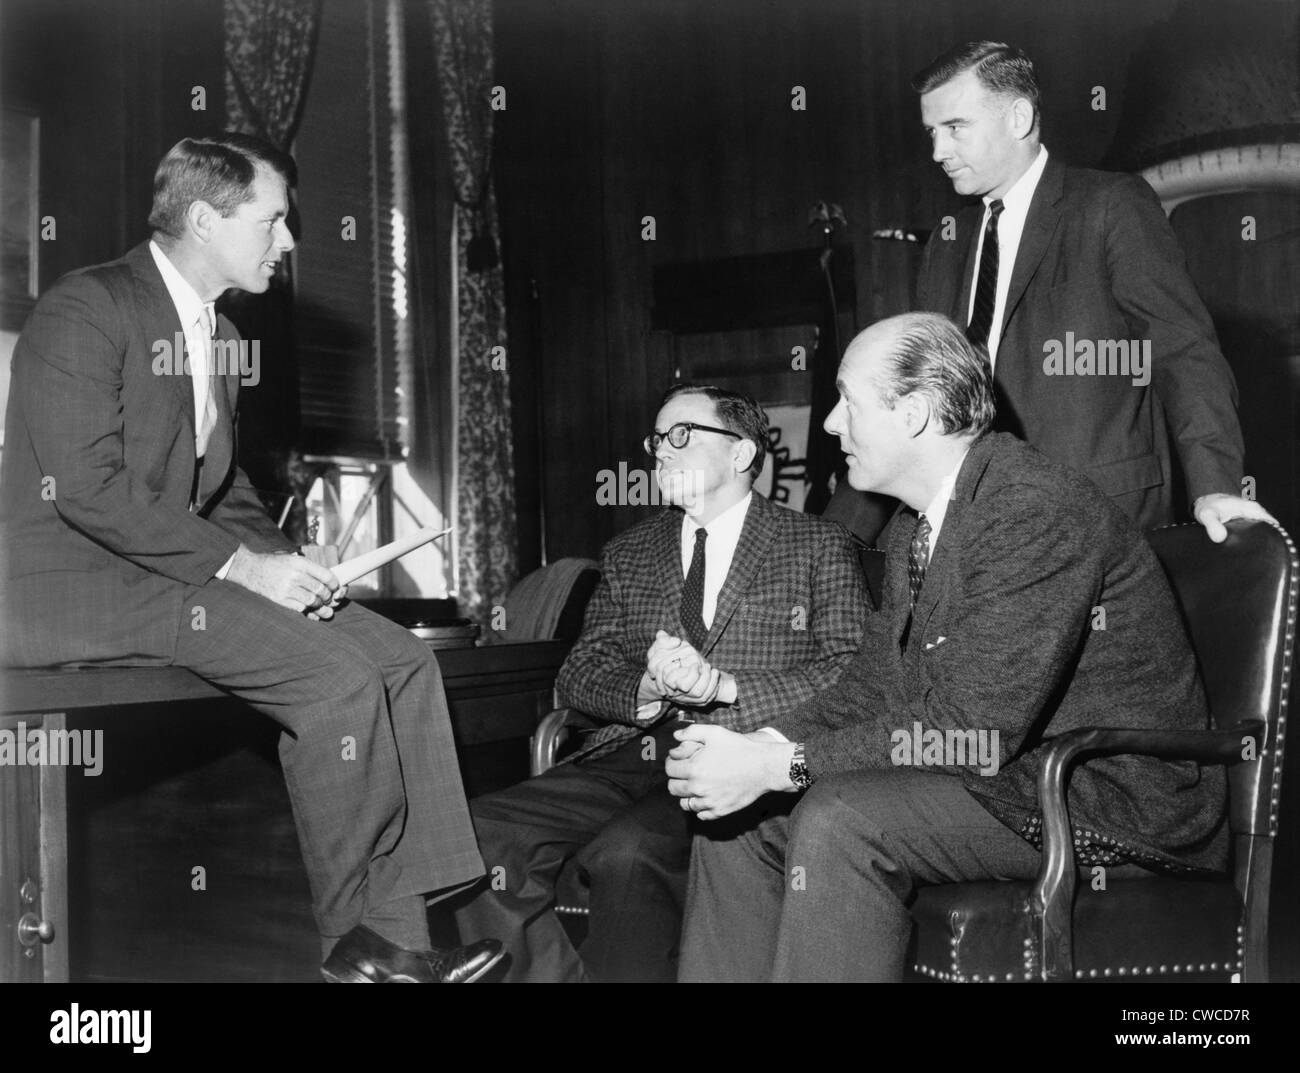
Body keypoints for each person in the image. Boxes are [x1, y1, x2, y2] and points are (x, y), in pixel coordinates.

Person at [0, 132, 501, 983]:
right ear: (203, 218)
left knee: (403, 659)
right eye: (273, 220)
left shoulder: (219, 334)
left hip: (157, 574)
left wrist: (283, 559)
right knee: (336, 679)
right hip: (70, 586)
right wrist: (243, 571)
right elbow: (87, 489)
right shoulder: (86, 307)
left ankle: (407, 931)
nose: (291, 239)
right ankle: (358, 948)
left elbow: (217, 492)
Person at [668, 313, 1227, 982]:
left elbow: (974, 730)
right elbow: (868, 691)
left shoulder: (1030, 506)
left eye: (847, 399)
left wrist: (785, 764)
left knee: (840, 816)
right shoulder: (915, 526)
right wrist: (752, 746)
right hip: (1010, 778)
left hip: (1103, 796)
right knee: (741, 820)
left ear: (914, 413)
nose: (828, 425)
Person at [452, 384, 866, 981]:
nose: (660, 453)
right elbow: (580, 672)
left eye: (681, 435)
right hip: (626, 751)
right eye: (656, 440)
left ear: (742, 453)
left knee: (630, 852)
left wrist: (724, 687)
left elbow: (849, 668)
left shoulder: (818, 544)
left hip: (738, 754)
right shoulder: (628, 553)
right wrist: (645, 689)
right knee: (475, 831)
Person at [830, 40, 1273, 544]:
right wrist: (832, 541)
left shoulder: (1111, 206)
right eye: (932, 133)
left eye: (955, 128)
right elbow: (917, 394)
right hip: (971, 520)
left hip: (1094, 514)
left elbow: (1183, 353)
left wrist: (1214, 487)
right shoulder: (947, 240)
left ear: (1018, 118)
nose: (938, 152)